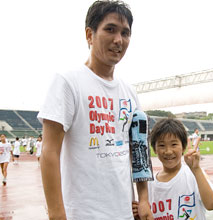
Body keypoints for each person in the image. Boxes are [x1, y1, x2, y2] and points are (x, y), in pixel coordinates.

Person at [37, 1, 153, 219]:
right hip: (82, 213)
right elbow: (49, 152)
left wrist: (144, 199)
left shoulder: (130, 92)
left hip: (125, 212)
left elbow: (139, 150)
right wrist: (56, 214)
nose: (118, 40)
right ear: (89, 35)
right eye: (110, 29)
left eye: (125, 33)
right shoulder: (68, 82)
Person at [139, 119, 213, 220]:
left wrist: (196, 169)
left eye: (174, 144)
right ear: (155, 149)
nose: (168, 151)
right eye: (162, 145)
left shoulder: (193, 174)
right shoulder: (150, 184)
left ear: (183, 146)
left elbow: (211, 205)